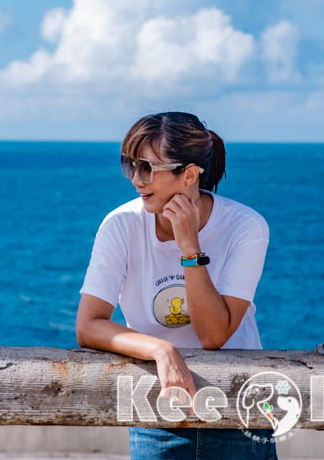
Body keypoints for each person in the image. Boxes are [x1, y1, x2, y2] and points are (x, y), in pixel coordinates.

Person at [75, 112, 277, 460]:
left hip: (237, 404)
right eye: (129, 165)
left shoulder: (245, 226)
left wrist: (190, 250)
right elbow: (88, 325)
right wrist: (161, 350)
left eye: (147, 168)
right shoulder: (120, 225)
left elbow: (214, 335)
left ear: (189, 174)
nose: (136, 181)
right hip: (158, 406)